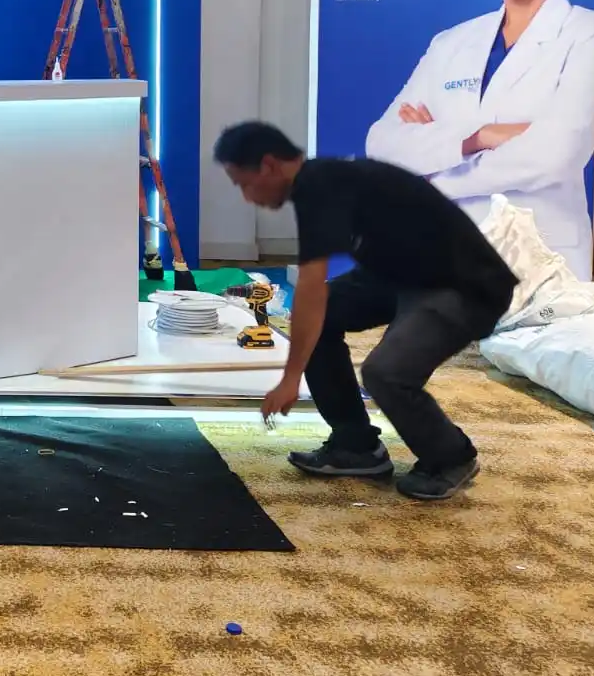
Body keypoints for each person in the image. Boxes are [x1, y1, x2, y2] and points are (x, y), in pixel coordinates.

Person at [215, 121, 517, 502]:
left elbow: (310, 286)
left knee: (385, 372)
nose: (246, 197)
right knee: (319, 319)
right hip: (401, 276)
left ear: (269, 165)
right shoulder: (320, 184)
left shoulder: (320, 185)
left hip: (465, 286)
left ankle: (451, 457)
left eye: (244, 183)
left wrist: (290, 379)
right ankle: (355, 445)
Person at [365, 0, 594, 279]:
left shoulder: (592, 34)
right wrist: (480, 136)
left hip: (541, 261)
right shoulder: (451, 42)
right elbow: (382, 143)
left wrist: (432, 172)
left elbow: (555, 155)